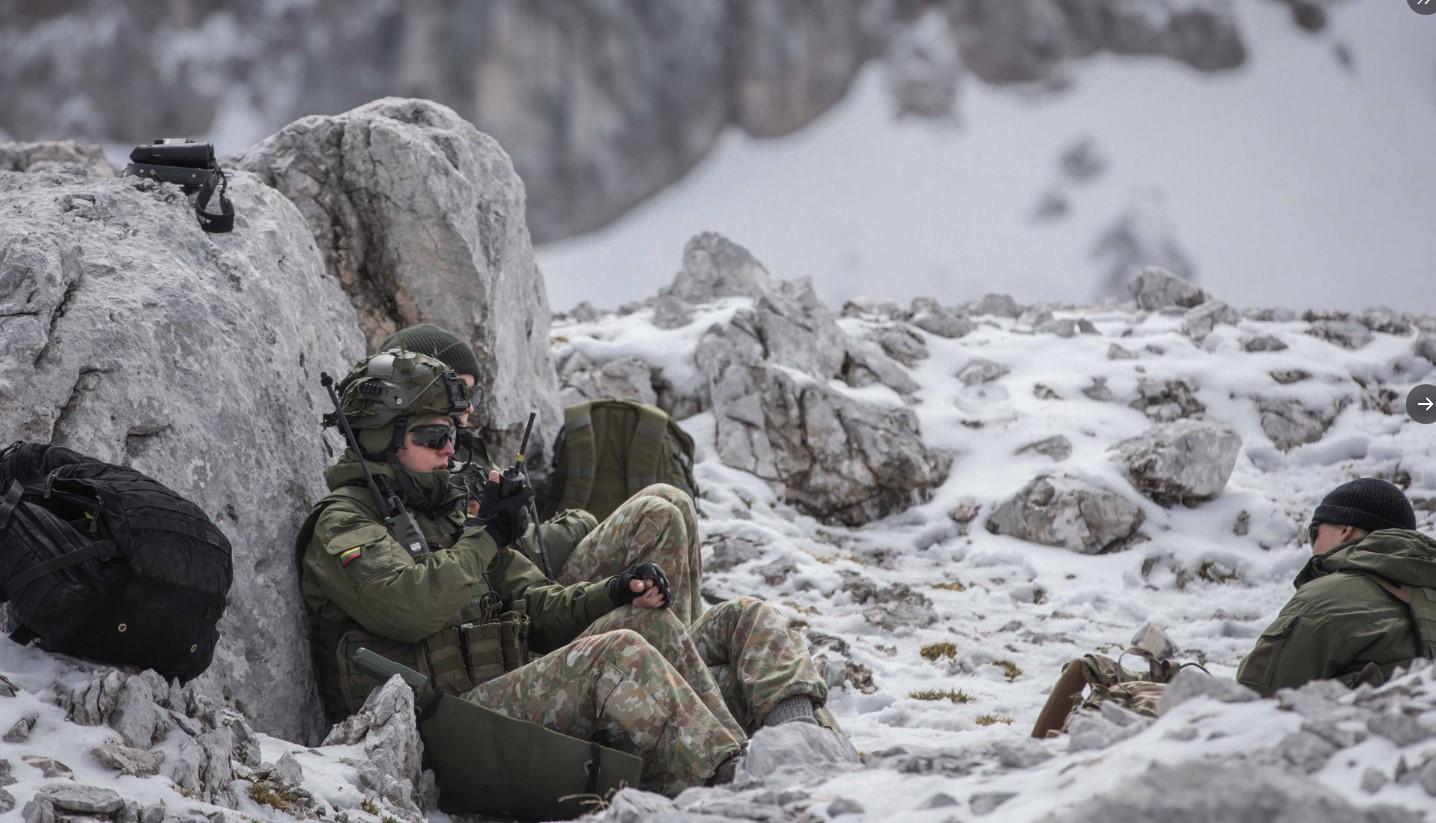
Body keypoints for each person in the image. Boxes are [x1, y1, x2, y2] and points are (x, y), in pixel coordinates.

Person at [298, 350, 840, 795]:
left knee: (708, 618)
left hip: (504, 696)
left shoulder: (441, 516)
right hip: (439, 732)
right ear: (379, 440)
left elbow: (538, 606)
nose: (449, 452)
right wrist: (485, 534)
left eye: (452, 439)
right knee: (618, 654)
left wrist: (611, 591)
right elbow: (410, 607)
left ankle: (793, 747)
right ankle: (739, 781)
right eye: (433, 439)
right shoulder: (344, 524)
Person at [377, 323, 705, 624]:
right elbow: (516, 551)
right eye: (460, 394)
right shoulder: (424, 463)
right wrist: (578, 522)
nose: (470, 408)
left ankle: (683, 637)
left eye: (474, 395)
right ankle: (676, 644)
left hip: (529, 584)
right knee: (657, 513)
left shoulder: (463, 451)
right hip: (523, 600)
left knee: (670, 497)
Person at [1236, 478, 1436, 696]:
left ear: (1345, 530)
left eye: (1314, 533)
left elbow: (1252, 697)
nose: (1312, 547)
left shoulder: (1324, 600)